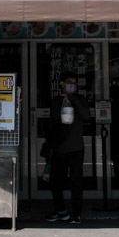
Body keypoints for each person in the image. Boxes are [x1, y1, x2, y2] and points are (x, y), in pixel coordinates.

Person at [44, 71, 90, 224]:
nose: (72, 85)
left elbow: (86, 117)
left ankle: (76, 213)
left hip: (76, 148)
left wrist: (73, 100)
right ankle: (60, 210)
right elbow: (52, 123)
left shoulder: (80, 99)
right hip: (59, 148)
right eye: (69, 82)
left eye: (74, 83)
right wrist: (50, 144)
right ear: (62, 83)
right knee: (56, 182)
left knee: (76, 182)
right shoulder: (56, 101)